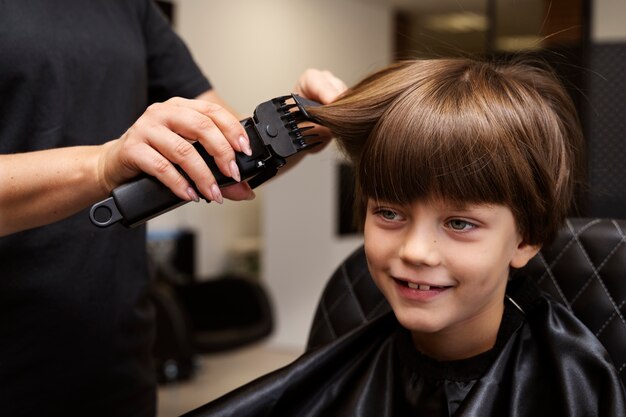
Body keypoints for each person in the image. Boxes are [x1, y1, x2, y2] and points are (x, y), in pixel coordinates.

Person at [183, 58, 626, 416]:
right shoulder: (348, 335)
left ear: (526, 239)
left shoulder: (574, 384)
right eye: (389, 213)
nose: (414, 251)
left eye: (459, 223)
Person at [0, 1, 345, 416]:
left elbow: (227, 148)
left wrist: (304, 121)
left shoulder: (130, 9)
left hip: (116, 358)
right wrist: (101, 165)